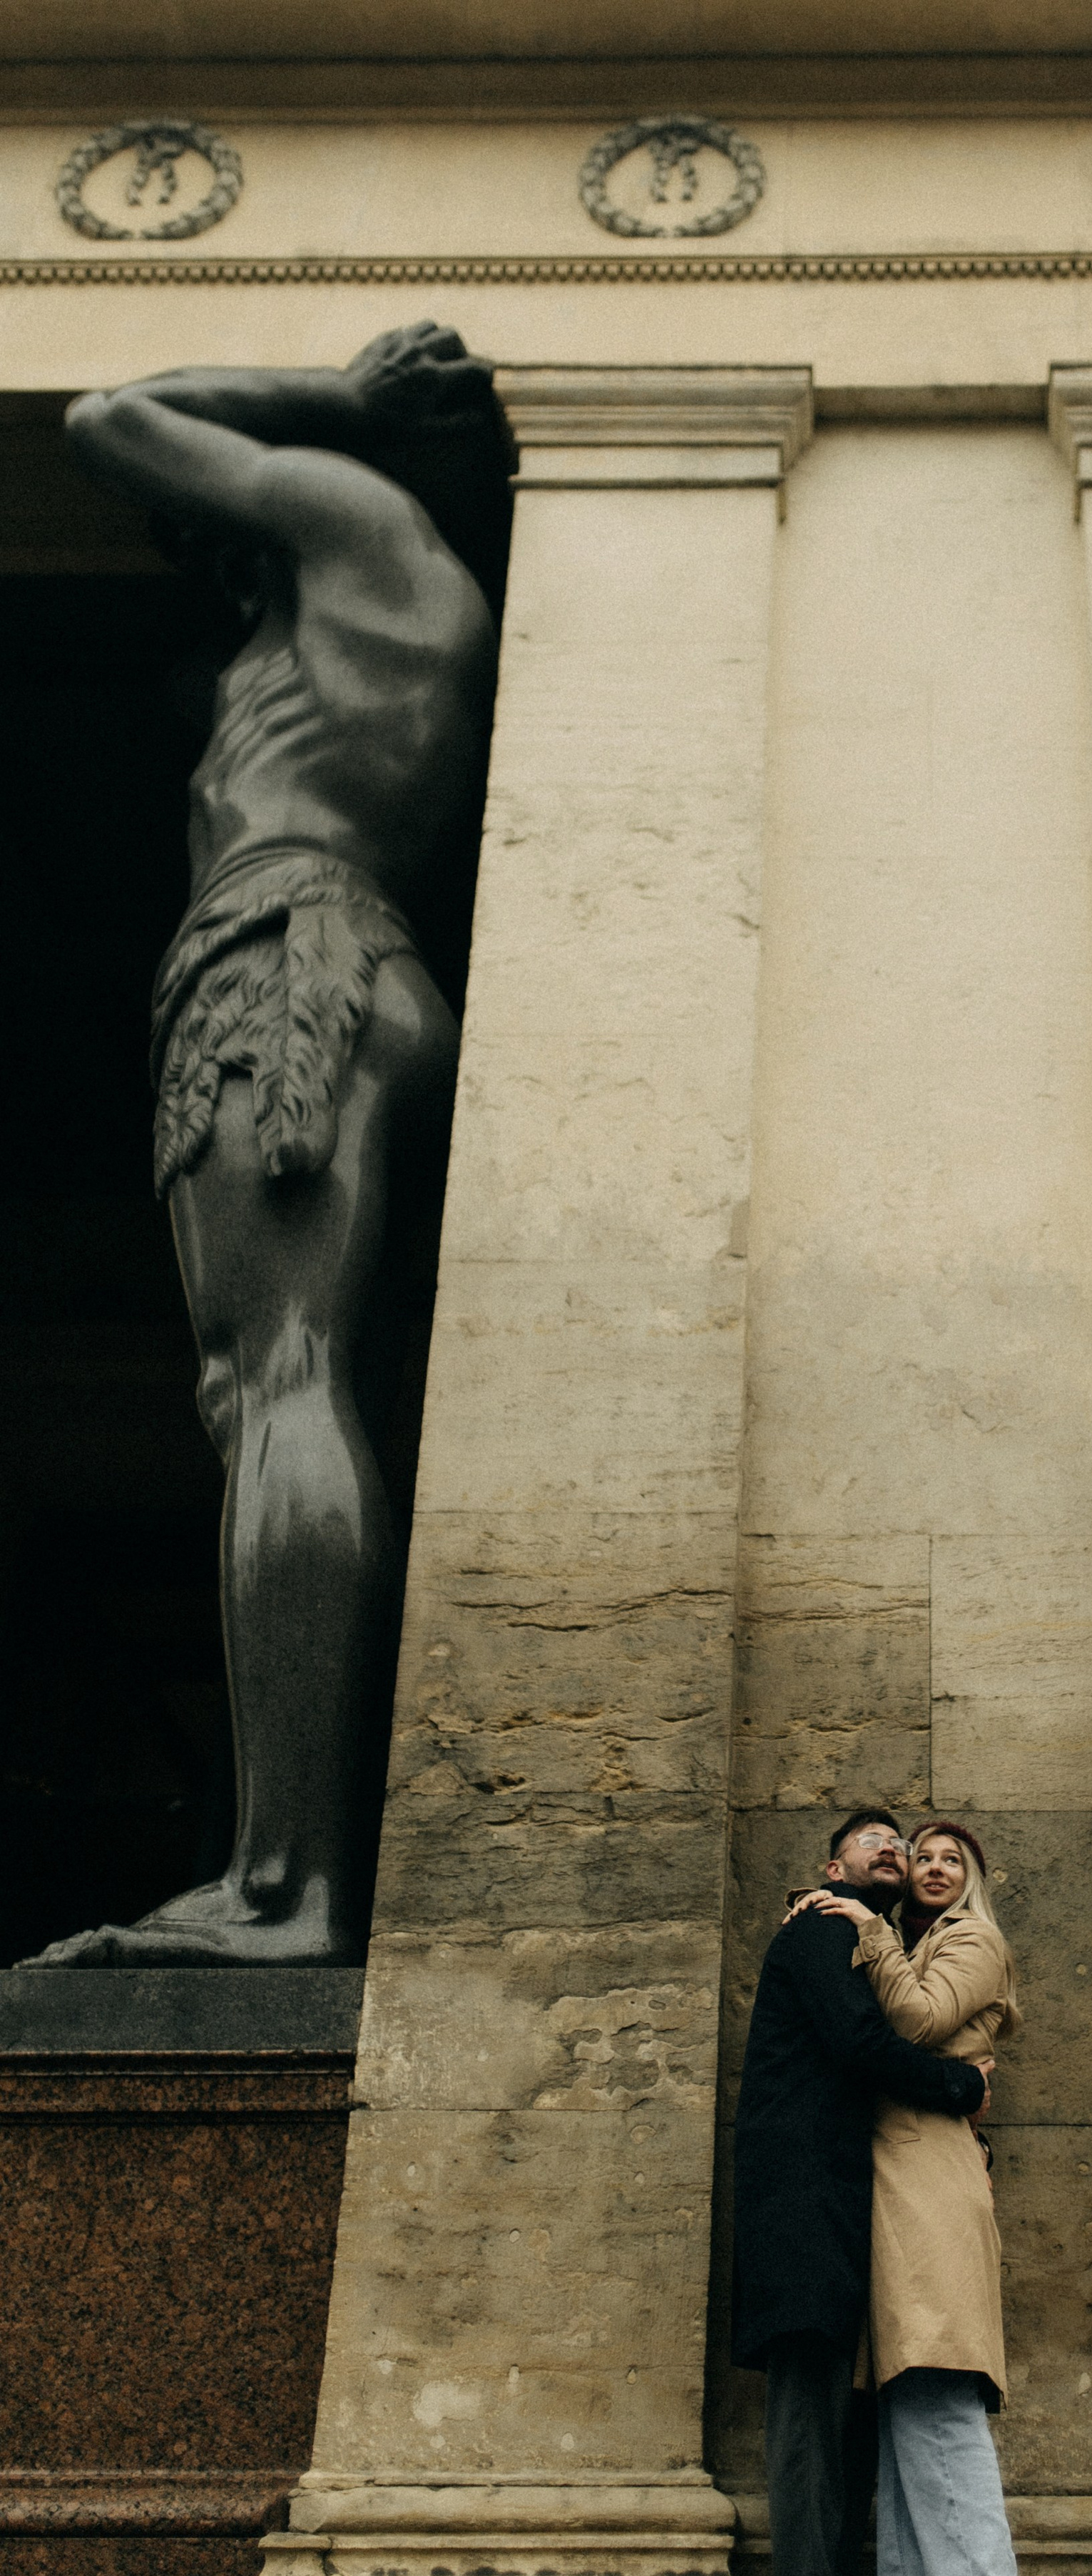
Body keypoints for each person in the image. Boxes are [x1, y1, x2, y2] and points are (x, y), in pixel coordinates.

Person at [20, 323, 512, 1970]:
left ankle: (285, 1885)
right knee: (271, 1386)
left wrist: (341, 402)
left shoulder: (364, 533)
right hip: (309, 955)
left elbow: (109, 410)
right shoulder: (326, 612)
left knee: (278, 1383)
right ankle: (284, 1869)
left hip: (291, 958)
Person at [732, 1807, 992, 2576]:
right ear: (829, 1864)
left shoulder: (863, 1937)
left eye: (901, 1840)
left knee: (834, 2436)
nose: (892, 1847)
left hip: (834, 2216)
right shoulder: (820, 1929)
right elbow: (861, 2045)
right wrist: (961, 2085)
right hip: (800, 2215)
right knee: (807, 2432)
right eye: (872, 1838)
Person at [797, 1819, 1054, 2576]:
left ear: (973, 1880)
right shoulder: (909, 1941)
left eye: (953, 1859)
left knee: (937, 2386)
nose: (934, 1867)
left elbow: (916, 2019)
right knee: (905, 2402)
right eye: (923, 1856)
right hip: (894, 2181)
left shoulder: (972, 1939)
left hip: (932, 2180)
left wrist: (865, 1931)